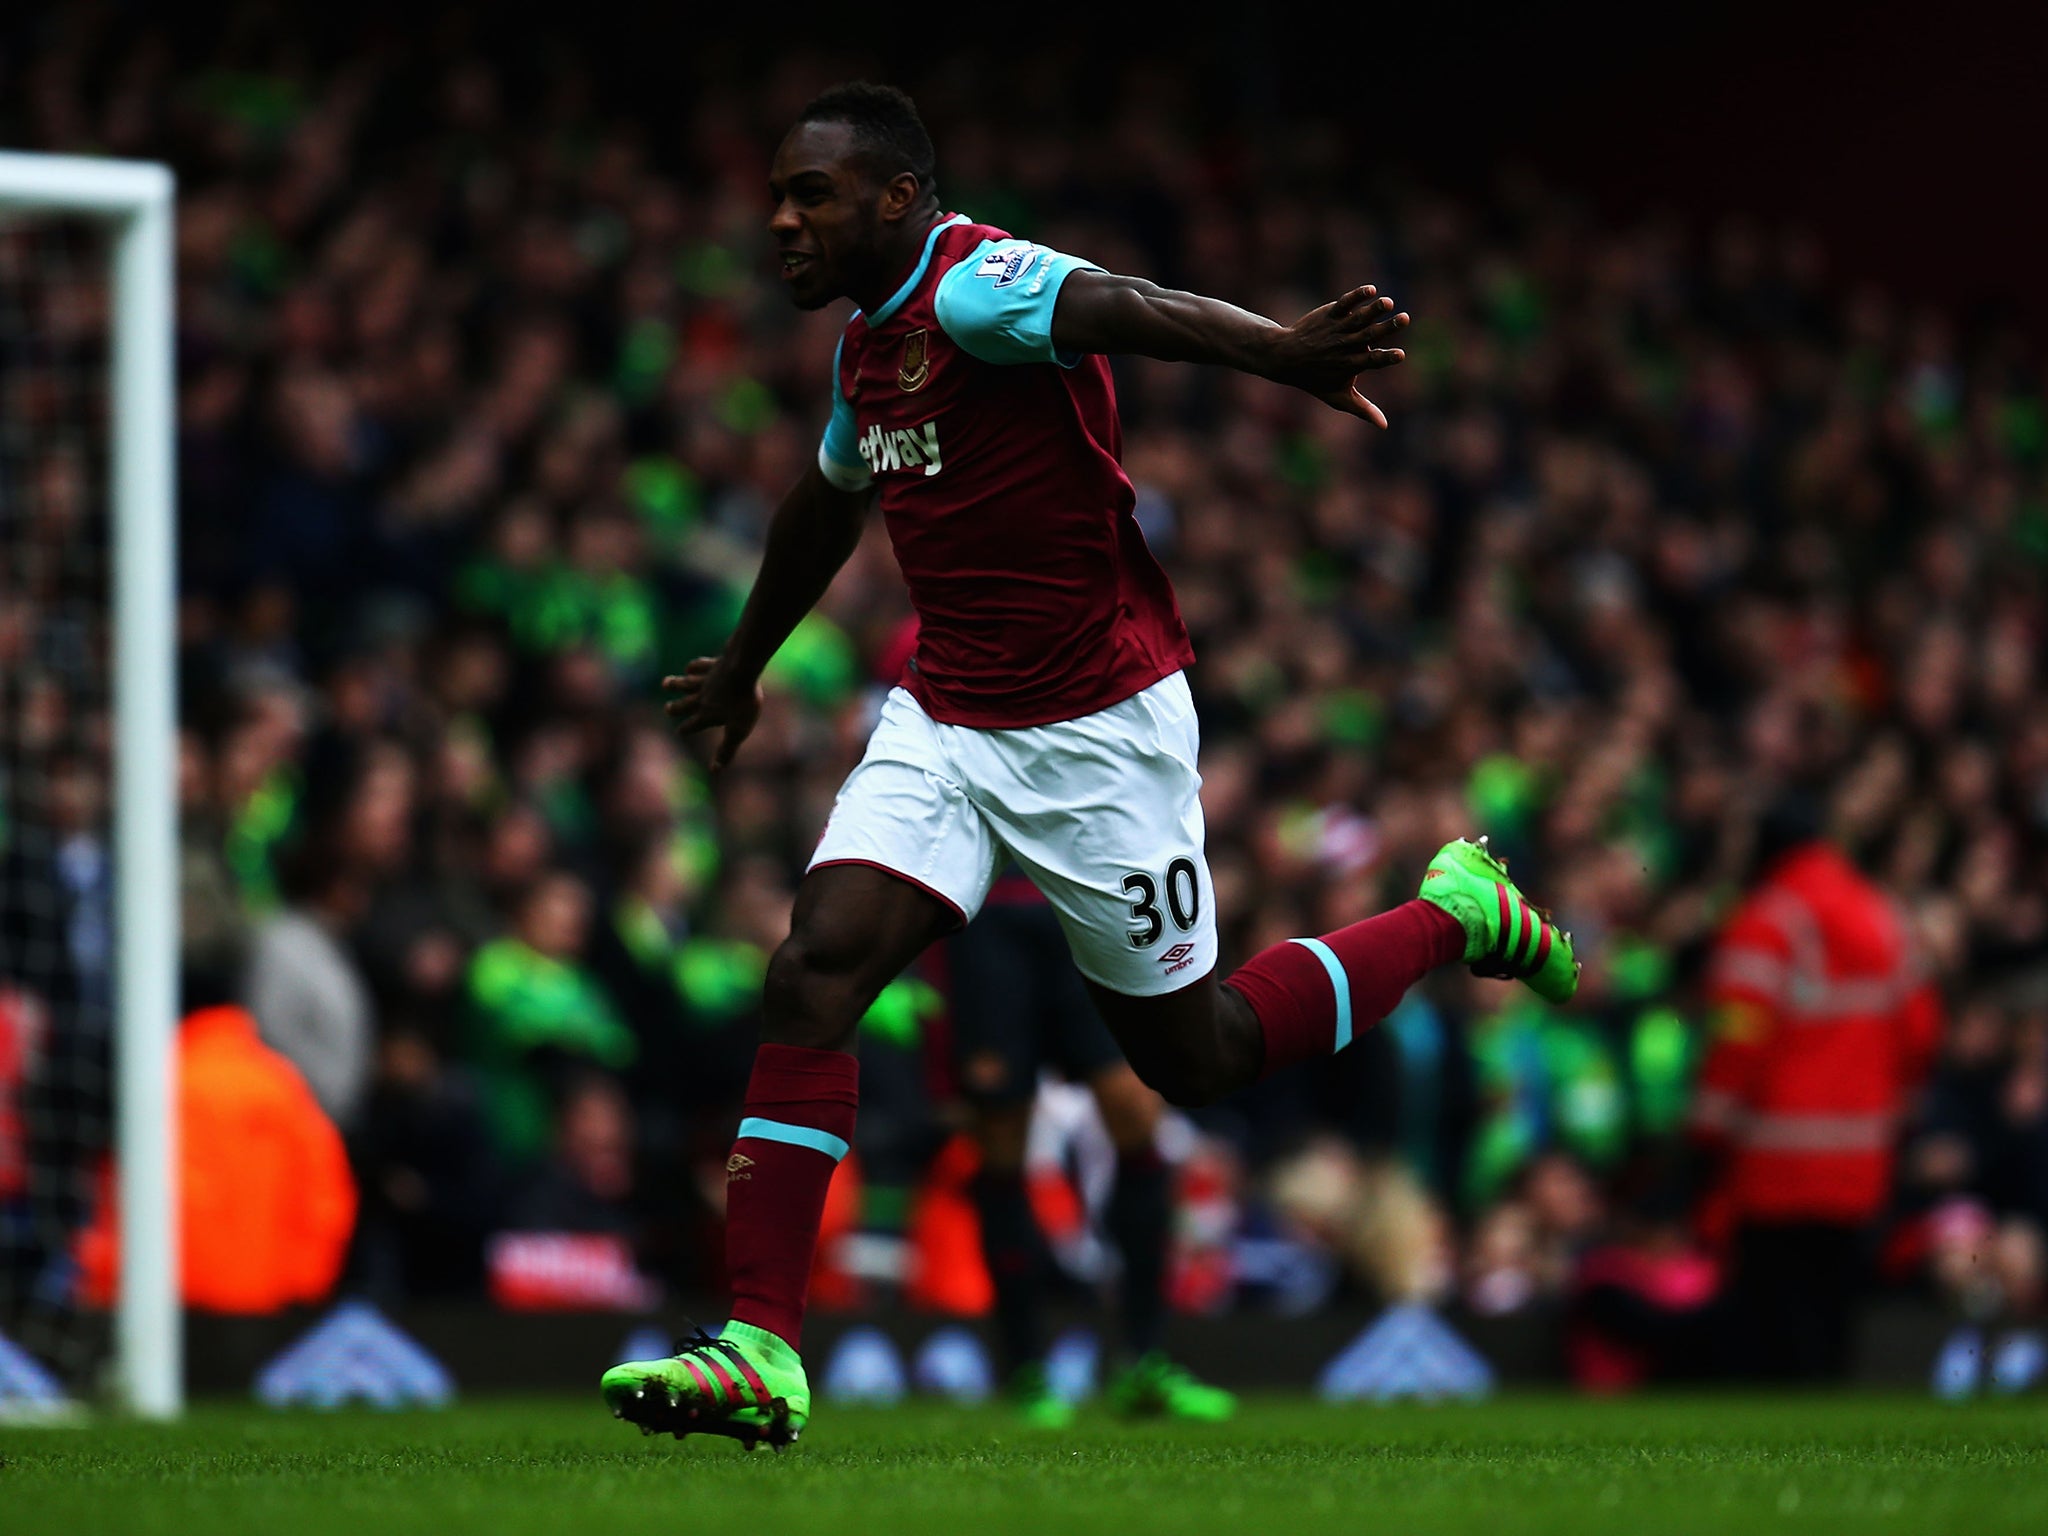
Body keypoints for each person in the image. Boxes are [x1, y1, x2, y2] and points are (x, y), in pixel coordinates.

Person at [603, 82, 1578, 1447]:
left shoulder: (976, 285)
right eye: (775, 193)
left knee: (1199, 1057)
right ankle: (759, 1346)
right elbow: (825, 504)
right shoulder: (866, 352)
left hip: (1097, 732)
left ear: (894, 199)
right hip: (946, 716)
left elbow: (1125, 303)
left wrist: (1284, 354)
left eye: (809, 194)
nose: (779, 220)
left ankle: (1450, 916)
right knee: (813, 966)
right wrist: (747, 664)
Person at [950, 880, 1234, 1426]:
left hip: (1090, 897)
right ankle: (1026, 1369)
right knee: (1002, 1133)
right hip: (993, 908)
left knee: (1134, 1108)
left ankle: (1143, 1360)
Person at [1688, 795, 1943, 1380]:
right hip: (1859, 1162)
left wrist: (1705, 1133)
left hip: (1773, 1164)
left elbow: (1736, 1042)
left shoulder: (1765, 920)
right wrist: (1894, 1114)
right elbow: (1922, 1031)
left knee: (1776, 1323)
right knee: (1832, 1315)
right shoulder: (1883, 916)